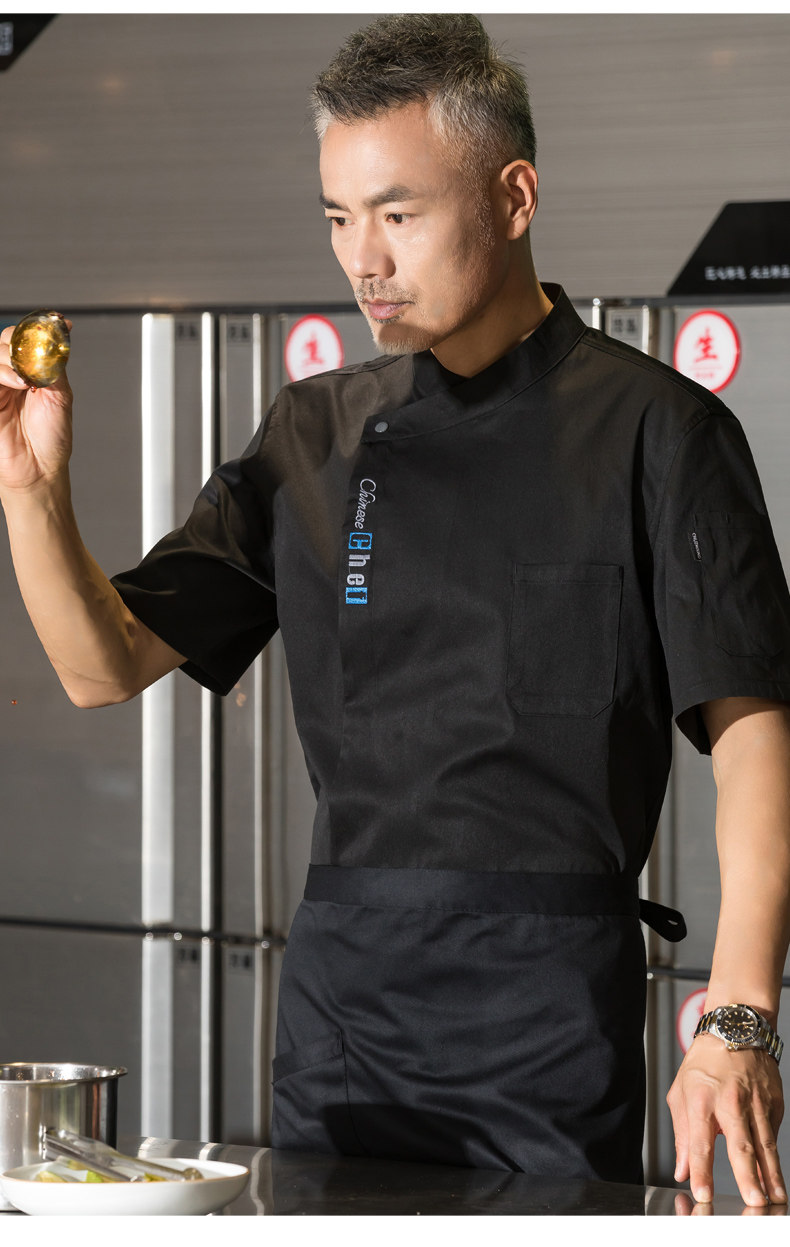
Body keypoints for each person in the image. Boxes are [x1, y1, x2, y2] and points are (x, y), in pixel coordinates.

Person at [2, 12, 790, 1206]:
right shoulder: (312, 433)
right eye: (337, 217)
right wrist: (30, 493)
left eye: (397, 214)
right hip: (342, 1019)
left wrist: (737, 1014)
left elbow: (754, 737)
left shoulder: (660, 431)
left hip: (545, 1021)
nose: (361, 257)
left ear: (513, 197)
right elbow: (99, 664)